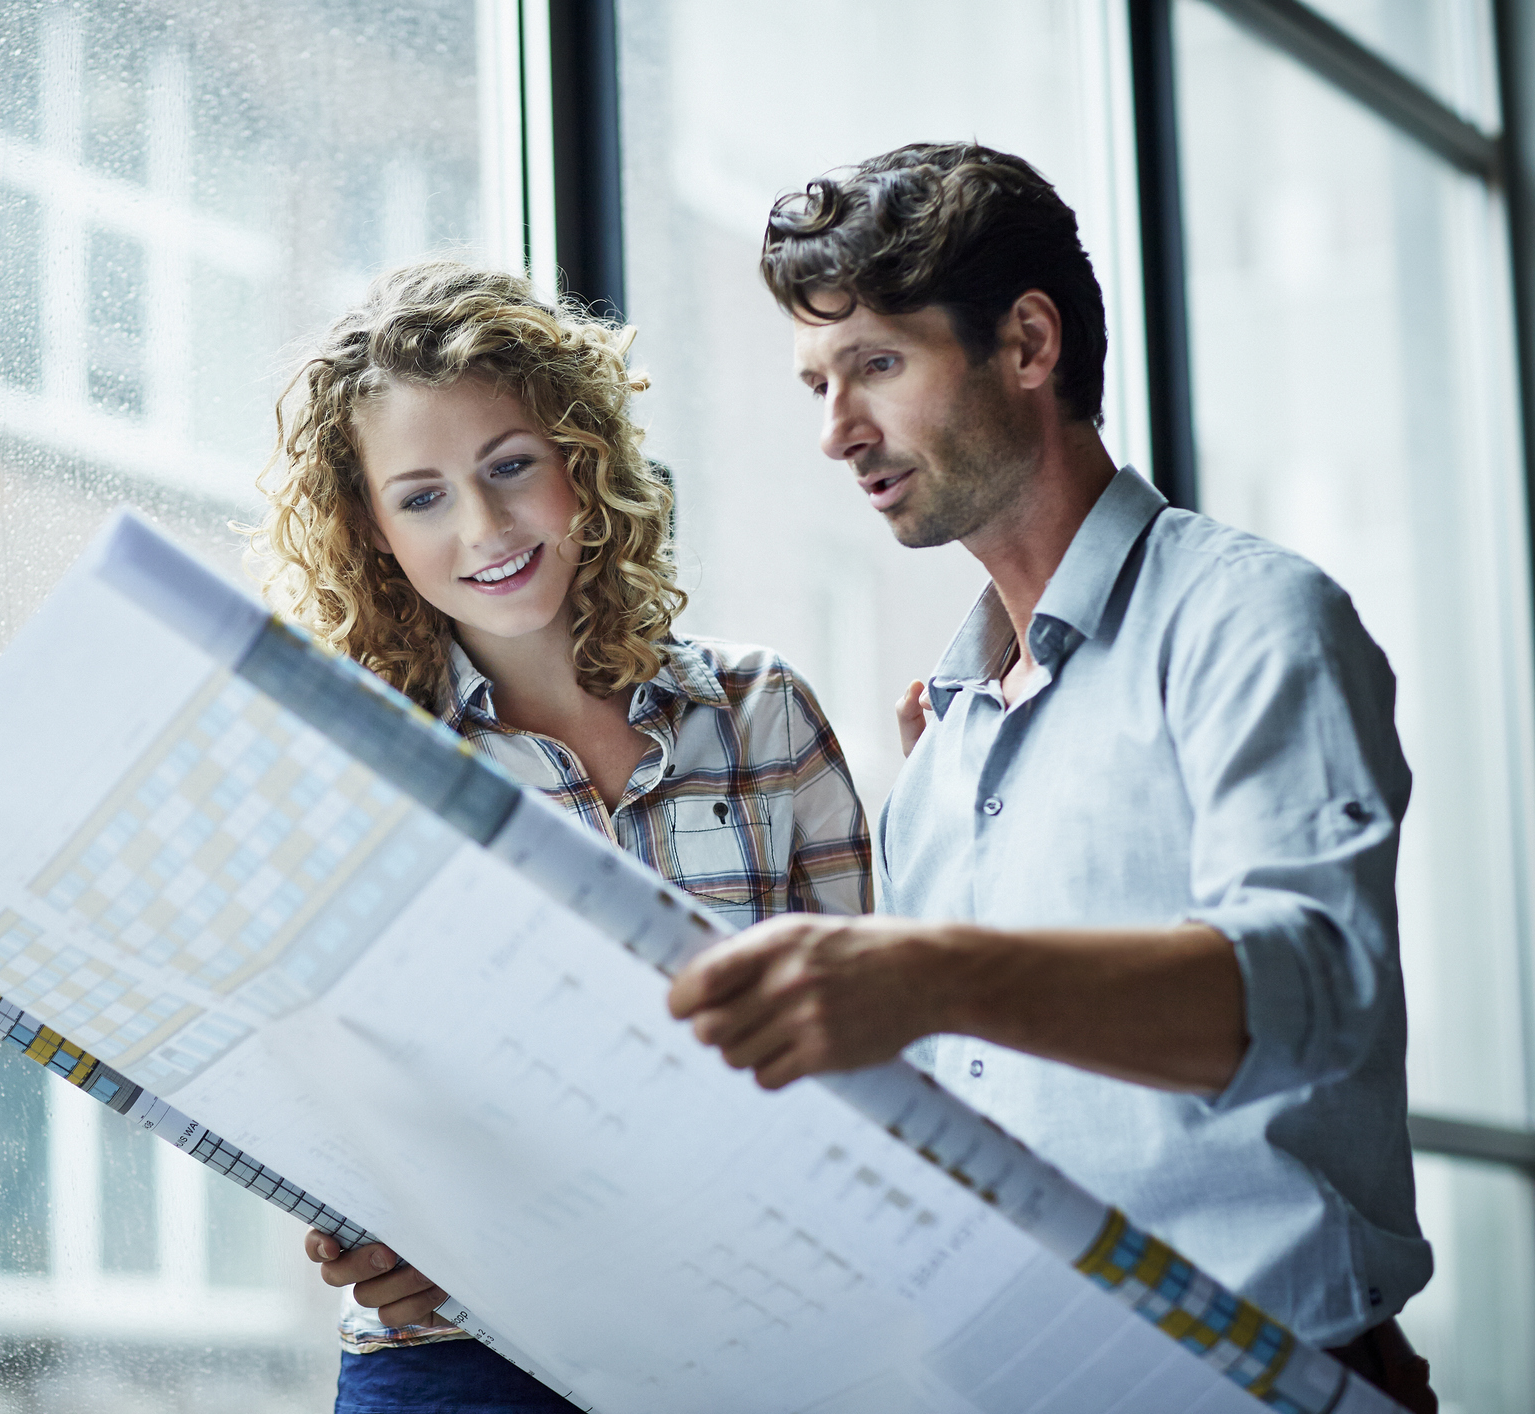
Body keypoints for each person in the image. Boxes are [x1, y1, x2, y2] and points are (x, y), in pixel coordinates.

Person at [666, 143, 1439, 1410]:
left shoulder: (1250, 620)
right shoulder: (944, 742)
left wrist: (933, 972)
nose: (834, 431)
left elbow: (1315, 987)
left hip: (1273, 1385)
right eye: (817, 381)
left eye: (875, 365)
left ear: (1029, 343)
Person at [255, 260, 872, 1413]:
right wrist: (360, 1220)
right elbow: (312, 1090)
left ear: (580, 466)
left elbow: (868, 1059)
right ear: (373, 530)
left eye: (510, 467)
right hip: (461, 1353)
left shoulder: (760, 715)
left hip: (753, 1333)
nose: (484, 526)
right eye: (424, 495)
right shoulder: (353, 767)